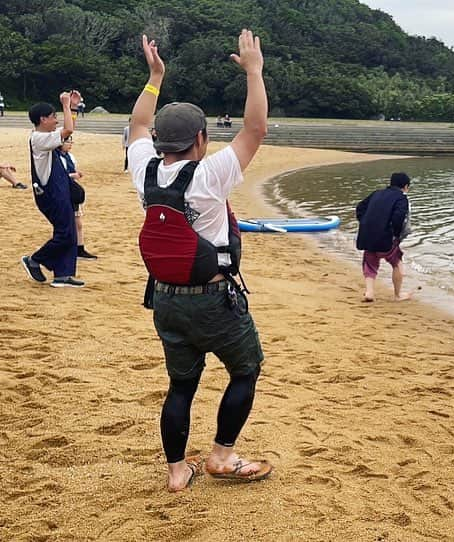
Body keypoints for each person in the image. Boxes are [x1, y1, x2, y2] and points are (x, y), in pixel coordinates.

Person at [129, 30, 270, 492]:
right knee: (245, 370)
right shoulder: (210, 174)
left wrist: (155, 77)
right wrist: (254, 71)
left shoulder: (143, 169)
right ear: (201, 138)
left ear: (160, 141)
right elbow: (254, 130)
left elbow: (136, 126)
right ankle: (222, 457)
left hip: (166, 300)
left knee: (181, 386)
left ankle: (176, 474)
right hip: (214, 300)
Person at [21, 90, 84, 287]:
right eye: (53, 117)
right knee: (65, 233)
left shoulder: (45, 136)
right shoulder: (39, 139)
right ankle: (35, 260)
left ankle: (63, 275)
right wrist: (66, 105)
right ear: (42, 119)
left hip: (58, 191)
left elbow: (67, 129)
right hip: (51, 194)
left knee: (68, 232)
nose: (56, 120)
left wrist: (72, 108)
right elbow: (67, 131)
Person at [355, 172, 412, 302]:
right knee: (397, 263)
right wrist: (396, 235)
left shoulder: (376, 193)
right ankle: (397, 295)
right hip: (386, 239)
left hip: (367, 237)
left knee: (370, 263)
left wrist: (364, 223)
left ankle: (369, 292)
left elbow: (360, 208)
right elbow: (398, 218)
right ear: (406, 186)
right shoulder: (402, 198)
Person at [57, 137, 97, 259]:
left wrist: (74, 175)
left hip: (70, 190)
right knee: (67, 223)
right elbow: (58, 176)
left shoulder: (70, 157)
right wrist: (72, 175)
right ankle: (70, 249)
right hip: (63, 192)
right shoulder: (57, 158)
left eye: (70, 142)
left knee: (78, 222)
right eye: (67, 142)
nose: (70, 144)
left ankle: (79, 248)